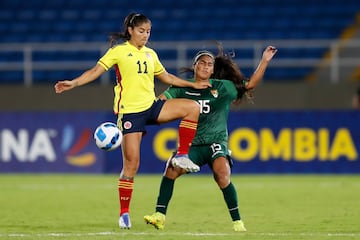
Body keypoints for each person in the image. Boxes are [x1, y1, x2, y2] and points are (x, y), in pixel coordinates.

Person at [54, 13, 211, 229]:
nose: (145, 35)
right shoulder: (118, 51)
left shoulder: (150, 54)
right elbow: (95, 71)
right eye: (141, 31)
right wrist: (74, 83)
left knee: (192, 108)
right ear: (130, 30)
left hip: (152, 106)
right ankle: (124, 213)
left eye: (148, 31)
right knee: (131, 165)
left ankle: (182, 155)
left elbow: (166, 77)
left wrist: (192, 85)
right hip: (130, 114)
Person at [144, 44, 277, 231]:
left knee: (222, 175)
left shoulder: (223, 88)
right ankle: (159, 216)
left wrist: (264, 60)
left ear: (213, 69)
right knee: (171, 169)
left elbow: (250, 84)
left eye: (209, 64)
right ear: (195, 66)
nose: (206, 67)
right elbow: (158, 104)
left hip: (216, 142)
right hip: (193, 146)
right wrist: (140, 119)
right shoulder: (182, 88)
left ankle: (238, 222)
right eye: (202, 63)